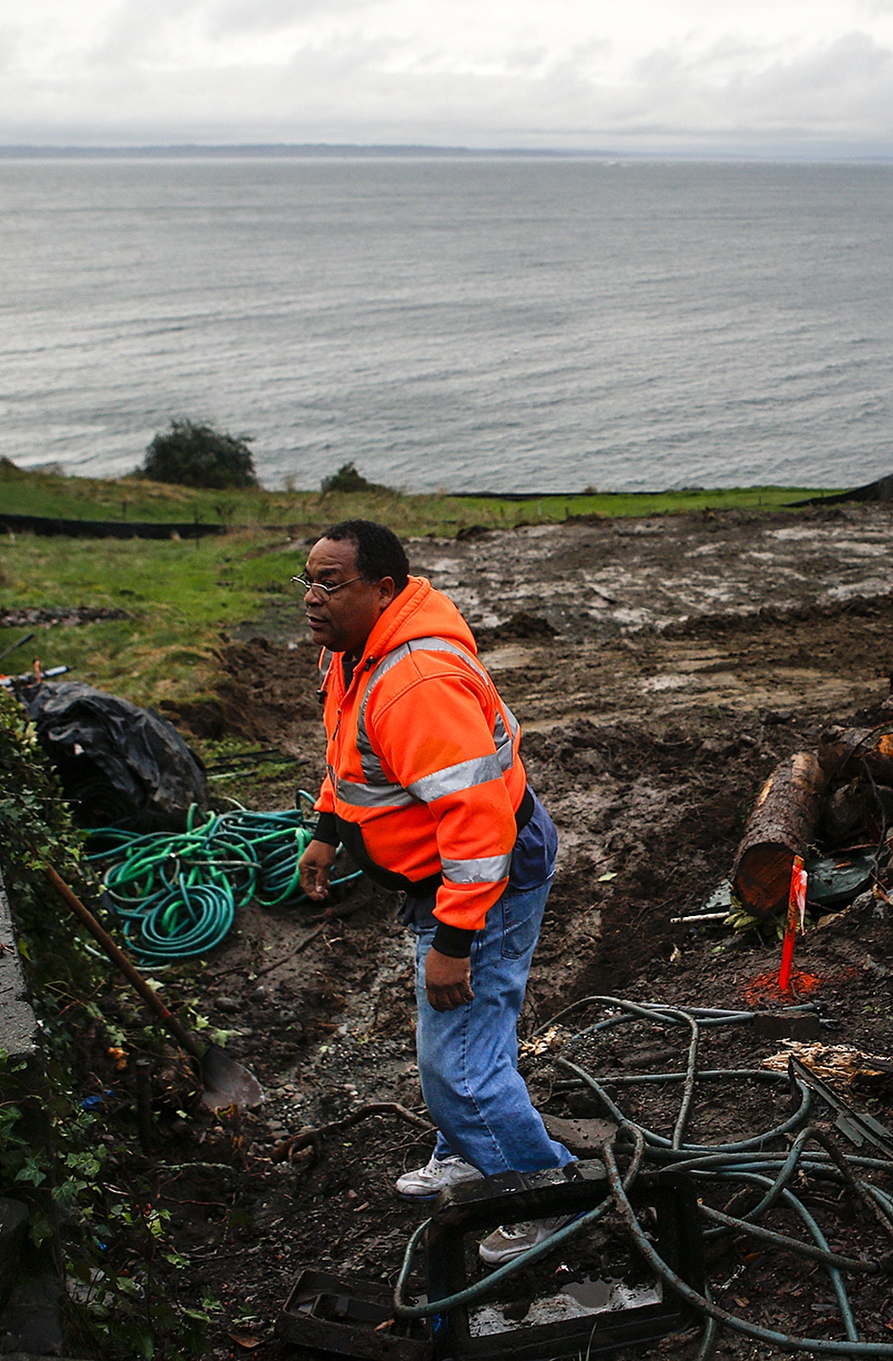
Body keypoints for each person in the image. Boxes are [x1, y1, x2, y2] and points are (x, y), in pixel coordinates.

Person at [295, 519, 572, 1263]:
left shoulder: (416, 681)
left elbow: (478, 826)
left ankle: (547, 1199)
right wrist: (328, 825)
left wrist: (454, 941)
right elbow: (351, 751)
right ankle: (471, 1150)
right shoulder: (353, 654)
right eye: (307, 581)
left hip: (487, 877)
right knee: (466, 1041)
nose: (312, 599)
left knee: (456, 1066)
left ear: (383, 588)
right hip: (445, 878)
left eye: (330, 583)